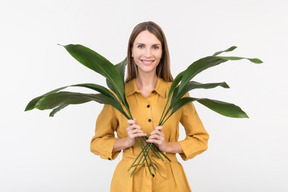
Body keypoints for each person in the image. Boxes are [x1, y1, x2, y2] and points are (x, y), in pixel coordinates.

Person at [90, 21, 209, 192]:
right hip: (128, 182)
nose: (148, 54)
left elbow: (200, 138)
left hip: (170, 183)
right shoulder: (117, 95)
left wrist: (167, 146)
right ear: (131, 51)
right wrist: (127, 141)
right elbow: (97, 143)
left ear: (162, 52)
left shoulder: (177, 94)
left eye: (155, 47)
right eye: (140, 46)